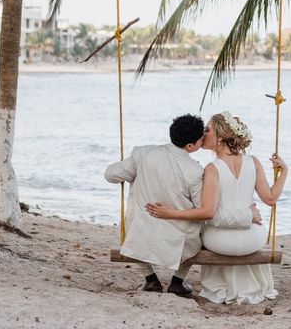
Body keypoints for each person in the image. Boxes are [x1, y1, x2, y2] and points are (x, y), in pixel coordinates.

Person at [104, 114, 260, 296]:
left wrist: (132, 175)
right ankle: (177, 282)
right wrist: (246, 214)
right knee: (196, 233)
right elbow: (205, 211)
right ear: (190, 146)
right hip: (177, 241)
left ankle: (151, 279)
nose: (204, 139)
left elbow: (110, 175)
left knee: (135, 226)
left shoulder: (143, 154)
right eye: (201, 138)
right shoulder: (195, 172)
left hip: (141, 233)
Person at [146, 111, 289, 304]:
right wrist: (284, 171)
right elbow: (271, 199)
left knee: (200, 231)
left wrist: (170, 213)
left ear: (220, 138)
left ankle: (217, 284)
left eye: (208, 129)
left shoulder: (212, 169)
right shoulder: (253, 162)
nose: (203, 133)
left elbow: (207, 212)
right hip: (252, 240)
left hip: (220, 242)